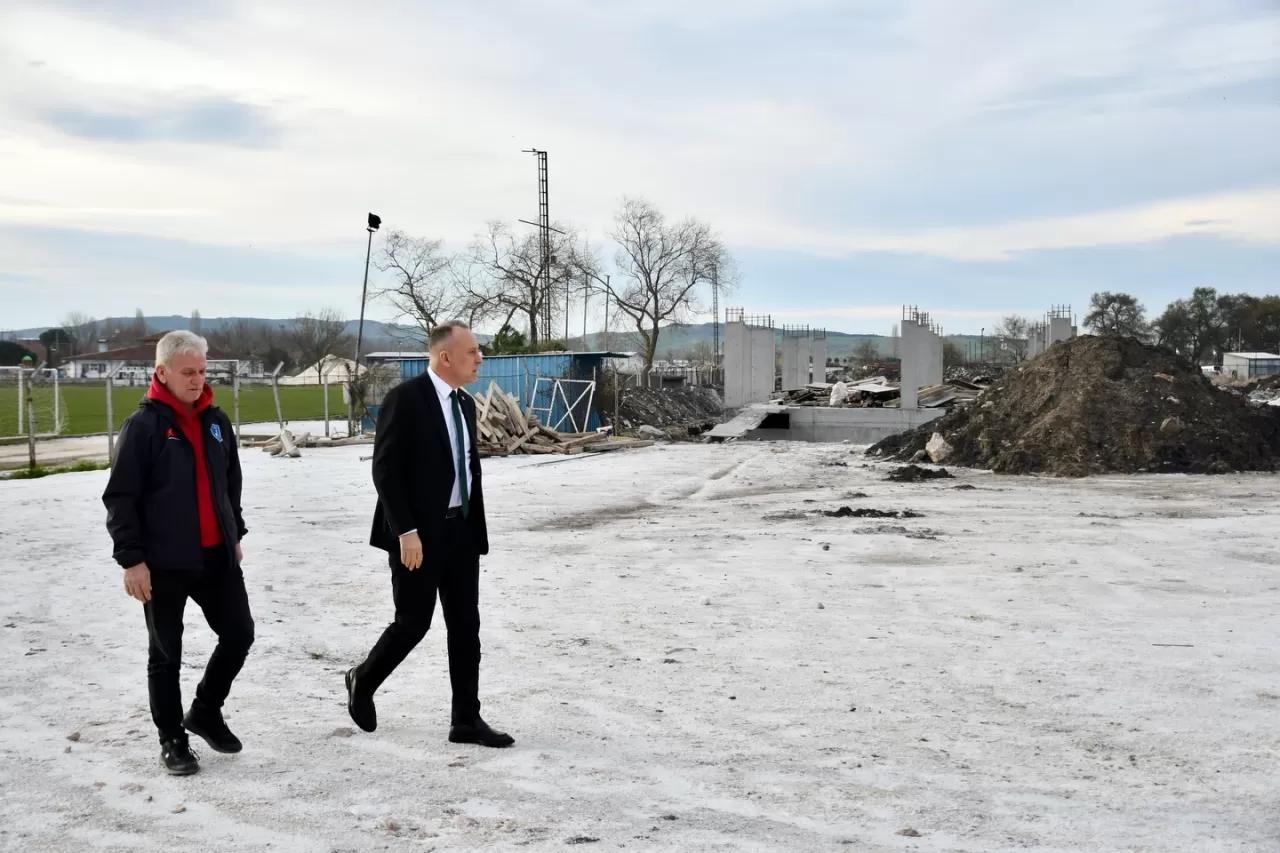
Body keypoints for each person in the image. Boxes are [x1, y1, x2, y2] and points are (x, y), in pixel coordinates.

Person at [346, 320, 513, 748]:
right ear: (445, 357)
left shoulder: (465, 403)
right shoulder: (406, 399)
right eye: (472, 351)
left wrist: (472, 524)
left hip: (461, 531)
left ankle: (466, 720)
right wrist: (406, 530)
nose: (480, 359)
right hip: (417, 536)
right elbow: (385, 470)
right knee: (413, 623)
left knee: (466, 627)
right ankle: (363, 679)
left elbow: (465, 466)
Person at [102, 330, 254, 775]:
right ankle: (172, 739)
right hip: (162, 563)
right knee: (166, 654)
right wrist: (132, 560)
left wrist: (234, 533)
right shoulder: (143, 427)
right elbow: (121, 497)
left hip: (216, 556)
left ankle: (205, 710)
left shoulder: (216, 421)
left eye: (202, 371)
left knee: (239, 634)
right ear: (162, 372)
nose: (197, 380)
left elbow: (230, 484)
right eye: (188, 372)